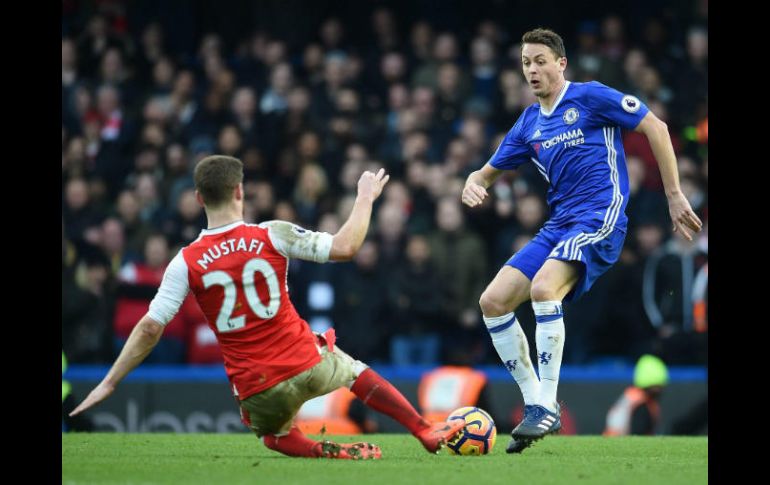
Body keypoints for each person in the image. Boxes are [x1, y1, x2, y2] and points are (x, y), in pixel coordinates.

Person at [71, 155, 464, 460]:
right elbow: (346, 247)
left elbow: (149, 328)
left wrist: (110, 382)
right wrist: (364, 199)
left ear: (197, 198)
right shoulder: (271, 233)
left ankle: (327, 451)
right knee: (355, 373)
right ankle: (422, 429)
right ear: (240, 191)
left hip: (256, 387)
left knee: (274, 437)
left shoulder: (185, 261)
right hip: (307, 362)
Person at [461, 28, 702, 454]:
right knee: (492, 301)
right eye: (525, 62)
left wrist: (673, 193)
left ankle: (546, 405)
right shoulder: (528, 123)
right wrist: (473, 183)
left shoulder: (590, 97)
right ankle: (538, 404)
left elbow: (657, 127)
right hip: (559, 226)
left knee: (542, 289)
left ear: (561, 63)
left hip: (601, 216)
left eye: (539, 60)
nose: (532, 70)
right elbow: (485, 172)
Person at [604, 354, 668, 436]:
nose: (660, 390)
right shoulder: (641, 406)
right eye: (658, 387)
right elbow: (638, 435)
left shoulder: (632, 397)